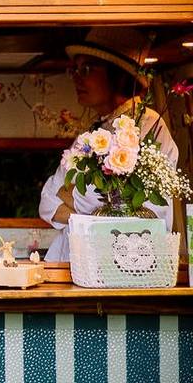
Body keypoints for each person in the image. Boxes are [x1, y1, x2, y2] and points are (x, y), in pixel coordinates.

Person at [39, 27, 179, 261]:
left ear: (117, 74)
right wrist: (96, 214)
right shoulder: (93, 131)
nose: (76, 78)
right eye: (74, 69)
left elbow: (139, 215)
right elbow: (47, 202)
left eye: (86, 69)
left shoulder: (148, 125)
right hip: (73, 267)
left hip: (121, 270)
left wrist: (72, 198)